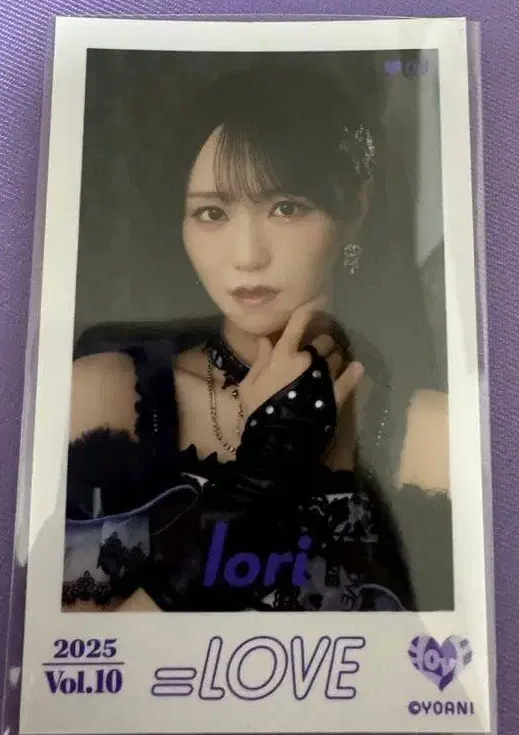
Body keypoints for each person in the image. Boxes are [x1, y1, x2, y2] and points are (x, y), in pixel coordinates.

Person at [63, 61, 450, 613]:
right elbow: (77, 661)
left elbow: (453, 658)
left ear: (356, 209)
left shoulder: (436, 440)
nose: (247, 256)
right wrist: (258, 480)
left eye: (286, 208)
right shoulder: (104, 400)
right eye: (211, 213)